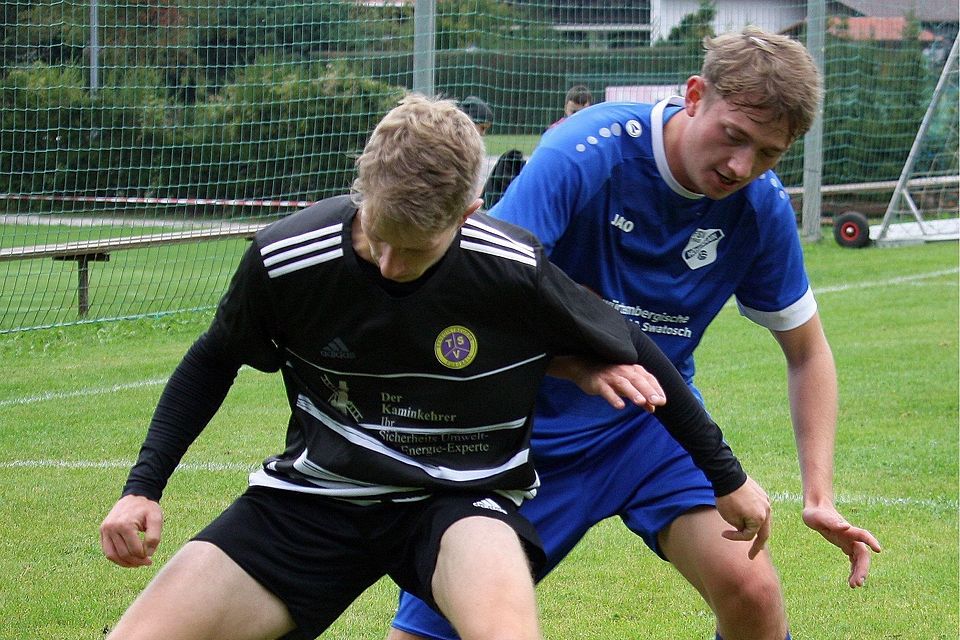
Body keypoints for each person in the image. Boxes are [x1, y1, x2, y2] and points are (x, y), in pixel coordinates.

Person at [98, 93, 772, 640]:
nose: (390, 268)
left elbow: (639, 348)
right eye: (380, 240)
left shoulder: (509, 266)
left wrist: (728, 478)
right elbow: (212, 360)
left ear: (469, 214)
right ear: (363, 189)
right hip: (320, 497)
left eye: (416, 252)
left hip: (461, 499)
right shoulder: (288, 258)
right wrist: (142, 487)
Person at [389, 28, 882, 640]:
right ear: (695, 95)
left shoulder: (760, 206)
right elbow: (478, 296)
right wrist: (576, 364)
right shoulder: (583, 154)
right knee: (429, 633)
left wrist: (819, 493)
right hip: (523, 436)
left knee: (751, 590)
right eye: (734, 137)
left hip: (650, 427)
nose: (741, 167)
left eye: (768, 154)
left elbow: (808, 353)